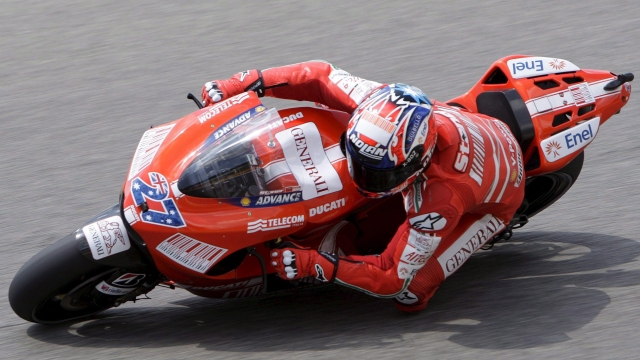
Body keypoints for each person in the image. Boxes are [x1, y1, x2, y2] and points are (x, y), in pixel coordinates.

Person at [201, 61, 525, 312]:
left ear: (418, 162)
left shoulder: (440, 200)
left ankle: (466, 248)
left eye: (378, 175)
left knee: (411, 293)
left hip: (499, 196)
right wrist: (242, 84)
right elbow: (317, 75)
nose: (364, 179)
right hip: (469, 123)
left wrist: (313, 263)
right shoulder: (381, 103)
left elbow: (390, 277)